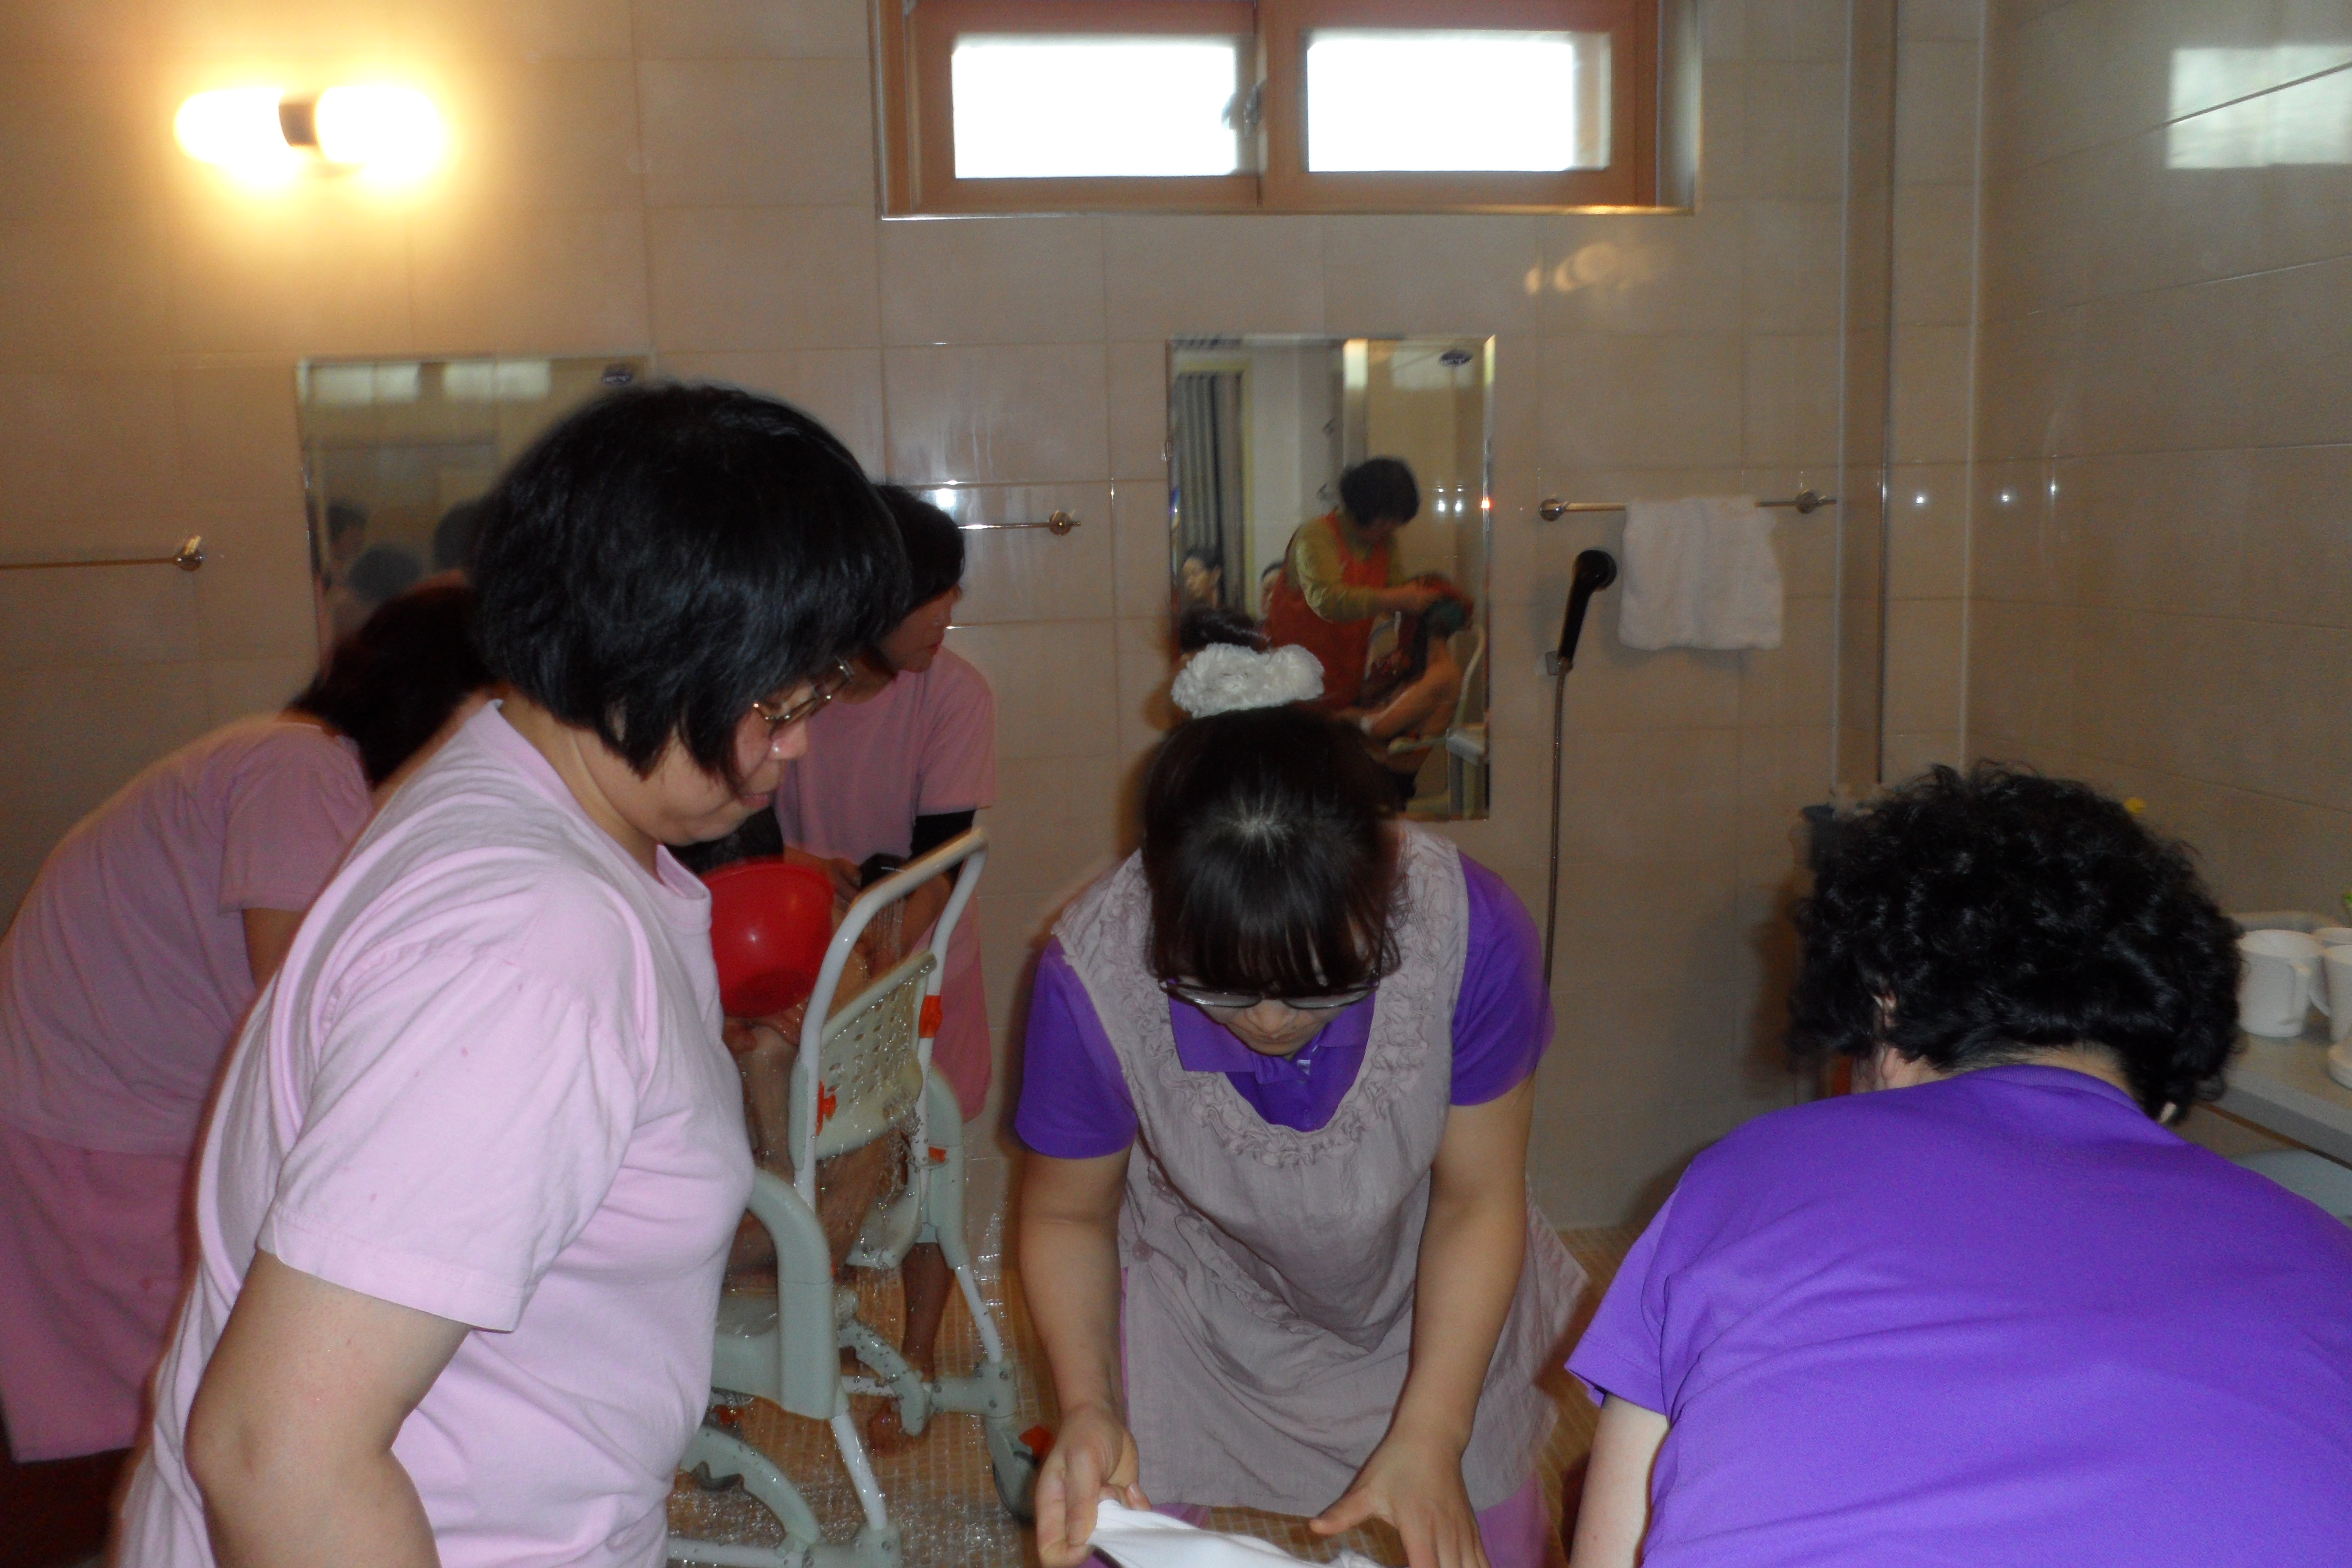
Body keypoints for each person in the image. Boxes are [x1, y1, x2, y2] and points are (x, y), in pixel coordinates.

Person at [114, 383, 908, 1568]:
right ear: (645, 650)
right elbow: (279, 1453)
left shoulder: (508, 778)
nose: (797, 739)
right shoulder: (532, 944)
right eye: (772, 697)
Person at [1566, 765, 2352, 1568]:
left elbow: (1614, 1548)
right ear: (2168, 1097)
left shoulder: (1752, 1176)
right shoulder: (2328, 1253)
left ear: (1885, 1009)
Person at [1018, 643, 1584, 1568]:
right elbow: (1067, 1214)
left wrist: (1434, 1431)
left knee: (1489, 1544)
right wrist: (1088, 1405)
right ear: (1162, 914)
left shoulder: (1467, 933)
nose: (1272, 1022)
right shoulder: (1096, 974)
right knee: (1111, 1529)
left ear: (1382, 900)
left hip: (1426, 1285)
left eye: (1322, 987)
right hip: (1203, 1297)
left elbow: (1477, 1200)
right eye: (1222, 990)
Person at [0, 580, 491, 1466]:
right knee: (176, 1428)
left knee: (200, 1414)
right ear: (442, 698)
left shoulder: (311, 770)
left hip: (108, 1110)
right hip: (95, 1127)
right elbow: (311, 1003)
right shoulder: (298, 766)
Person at [769, 483, 994, 1442]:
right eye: (933, 592)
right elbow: (739, 837)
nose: (950, 612)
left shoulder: (954, 694)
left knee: (928, 1159)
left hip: (918, 962)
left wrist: (884, 982)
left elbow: (937, 866)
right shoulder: (784, 687)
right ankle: (785, 1346)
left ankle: (922, 1356)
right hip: (797, 965)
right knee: (791, 1156)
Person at [1262, 457, 1450, 709]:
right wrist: (1397, 598)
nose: (1389, 531)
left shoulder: (1385, 543)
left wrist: (1430, 598)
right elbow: (1327, 601)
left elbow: (1397, 594)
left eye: (1394, 525)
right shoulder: (1315, 535)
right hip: (1291, 688)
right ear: (1362, 509)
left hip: (1344, 686)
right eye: (1384, 522)